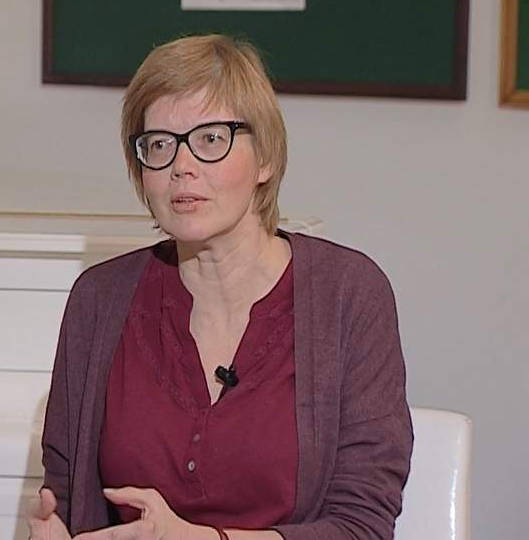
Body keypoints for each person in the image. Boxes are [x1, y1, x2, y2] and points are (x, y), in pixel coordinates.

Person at [29, 34, 412, 540]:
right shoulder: (98, 300)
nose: (181, 166)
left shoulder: (350, 295)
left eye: (211, 139)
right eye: (159, 144)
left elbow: (362, 527)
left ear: (266, 158)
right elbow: (64, 496)